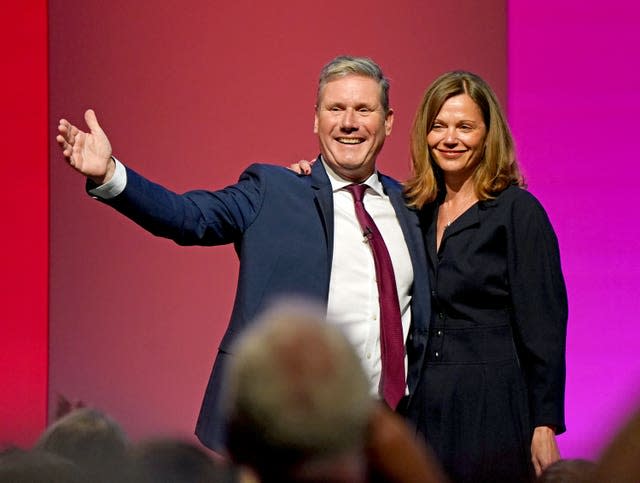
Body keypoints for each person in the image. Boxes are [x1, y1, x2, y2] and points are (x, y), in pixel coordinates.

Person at [56, 55, 431, 452]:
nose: (349, 122)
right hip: (294, 431)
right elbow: (187, 217)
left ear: (388, 121)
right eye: (335, 108)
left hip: (391, 436)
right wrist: (110, 174)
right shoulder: (272, 189)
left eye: (363, 109)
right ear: (316, 119)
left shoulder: (413, 206)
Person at [403, 71, 568, 482]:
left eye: (465, 127)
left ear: (487, 134)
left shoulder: (518, 213)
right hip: (423, 404)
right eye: (438, 126)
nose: (450, 138)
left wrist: (544, 423)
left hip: (492, 403)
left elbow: (545, 325)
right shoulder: (414, 212)